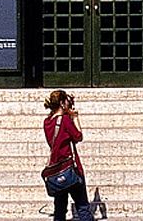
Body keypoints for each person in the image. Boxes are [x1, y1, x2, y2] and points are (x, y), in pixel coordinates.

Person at [43, 89, 92, 221]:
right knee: (82, 206)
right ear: (62, 103)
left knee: (59, 209)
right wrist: (75, 117)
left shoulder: (47, 122)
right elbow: (78, 136)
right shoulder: (65, 120)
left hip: (56, 169)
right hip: (71, 168)